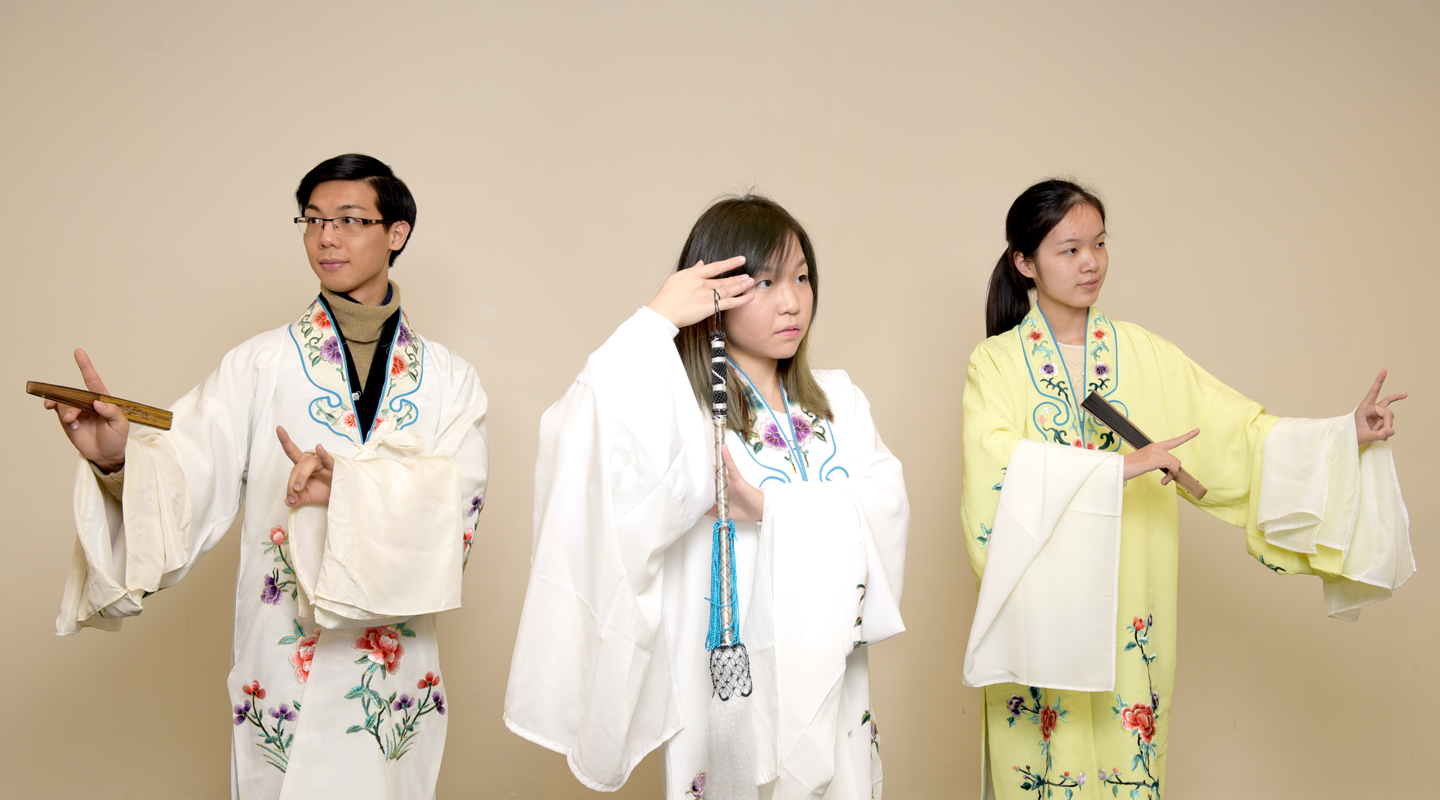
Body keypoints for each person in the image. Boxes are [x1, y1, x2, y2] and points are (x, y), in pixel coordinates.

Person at [46, 154, 489, 799]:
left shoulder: (452, 379)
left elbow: (457, 507)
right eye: (312, 221)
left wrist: (348, 488)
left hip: (393, 664)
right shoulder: (258, 363)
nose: (326, 237)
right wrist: (118, 458)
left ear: (397, 233)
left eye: (348, 219)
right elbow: (188, 468)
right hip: (283, 654)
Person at [960, 179, 1413, 799]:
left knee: (1127, 761)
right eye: (1069, 249)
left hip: (1130, 604)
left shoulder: (1146, 356)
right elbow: (995, 471)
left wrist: (1342, 436)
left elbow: (1239, 436)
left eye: (1099, 244)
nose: (1090, 262)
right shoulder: (996, 364)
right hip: (1043, 613)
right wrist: (1116, 469)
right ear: (1024, 262)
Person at [504, 195, 909, 799]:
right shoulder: (684, 410)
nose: (793, 301)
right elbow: (584, 434)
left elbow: (887, 506)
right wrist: (656, 319)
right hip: (725, 669)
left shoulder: (838, 400)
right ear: (716, 288)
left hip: (828, 663)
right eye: (765, 282)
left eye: (801, 277)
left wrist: (770, 510)